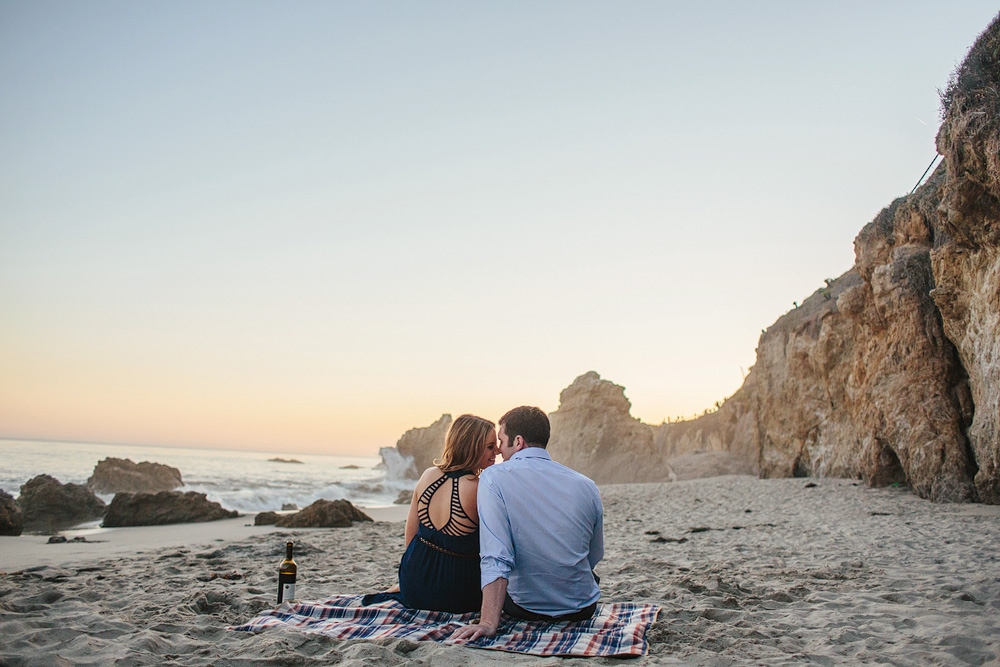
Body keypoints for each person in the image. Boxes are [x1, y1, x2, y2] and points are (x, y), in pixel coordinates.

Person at [451, 406, 604, 641]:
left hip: (526, 608)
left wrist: (488, 622)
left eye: (501, 441)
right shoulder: (586, 485)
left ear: (518, 441)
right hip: (581, 608)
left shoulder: (493, 478)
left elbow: (496, 555)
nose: (499, 450)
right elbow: (594, 555)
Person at [363, 414, 498, 613]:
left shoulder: (428, 475)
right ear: (472, 446)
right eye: (490, 446)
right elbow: (495, 545)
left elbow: (411, 534)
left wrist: (413, 575)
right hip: (457, 592)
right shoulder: (478, 488)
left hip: (414, 582)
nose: (497, 451)